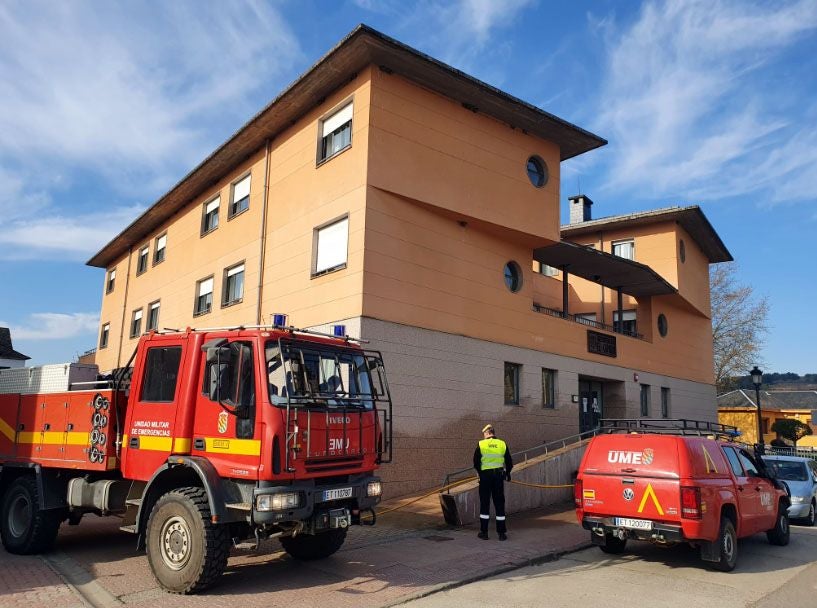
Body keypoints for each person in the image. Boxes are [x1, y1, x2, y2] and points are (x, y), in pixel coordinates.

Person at [473, 423, 513, 540]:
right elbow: (509, 462)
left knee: (485, 503)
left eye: (484, 434)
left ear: (486, 433)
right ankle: (501, 534)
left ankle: (484, 532)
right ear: (493, 433)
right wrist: (507, 473)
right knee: (499, 503)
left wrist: (480, 474)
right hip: (498, 477)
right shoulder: (502, 444)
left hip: (485, 477)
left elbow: (475, 462)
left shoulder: (481, 444)